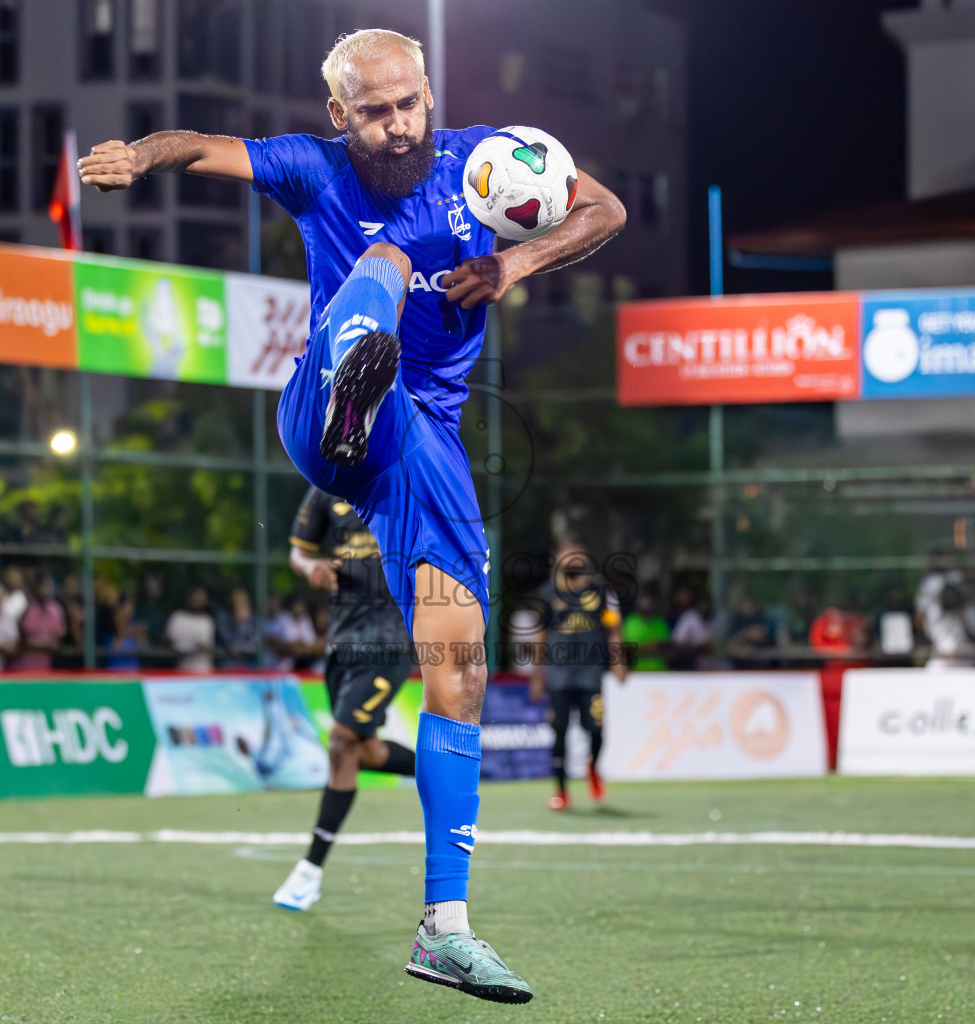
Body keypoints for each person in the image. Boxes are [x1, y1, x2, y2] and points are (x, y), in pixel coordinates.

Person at [79, 26, 624, 1003]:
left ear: (426, 91)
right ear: (339, 115)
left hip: (422, 446)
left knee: (460, 667)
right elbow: (198, 147)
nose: (398, 122)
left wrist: (515, 266)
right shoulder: (311, 168)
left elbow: (606, 206)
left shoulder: (485, 162)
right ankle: (355, 372)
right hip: (325, 421)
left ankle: (445, 929)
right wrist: (137, 155)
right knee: (375, 261)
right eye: (373, 110)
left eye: (409, 100)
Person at [274, 487, 418, 912]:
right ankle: (444, 767)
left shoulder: (403, 479)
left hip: (389, 642)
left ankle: (309, 871)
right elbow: (298, 554)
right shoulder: (323, 490)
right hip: (343, 641)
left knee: (340, 740)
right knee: (363, 752)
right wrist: (310, 568)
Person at [528, 538, 627, 811]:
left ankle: (592, 766)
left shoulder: (601, 592)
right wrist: (537, 676)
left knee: (596, 730)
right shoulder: (548, 593)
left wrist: (619, 662)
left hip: (590, 673)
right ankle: (561, 791)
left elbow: (614, 629)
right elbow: (541, 636)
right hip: (558, 675)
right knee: (558, 731)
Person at [13, 577, 67, 671]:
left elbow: (57, 637)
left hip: (47, 663)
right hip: (25, 661)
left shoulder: (55, 608)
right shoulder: (27, 606)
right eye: (42, 586)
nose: (45, 590)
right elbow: (22, 637)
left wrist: (48, 645)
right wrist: (42, 645)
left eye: (48, 586)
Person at [164, 585, 217, 672]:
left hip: (204, 670)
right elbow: (167, 641)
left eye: (201, 597)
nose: (198, 600)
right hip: (182, 669)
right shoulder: (177, 617)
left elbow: (210, 647)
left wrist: (204, 649)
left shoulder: (207, 620)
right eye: (195, 596)